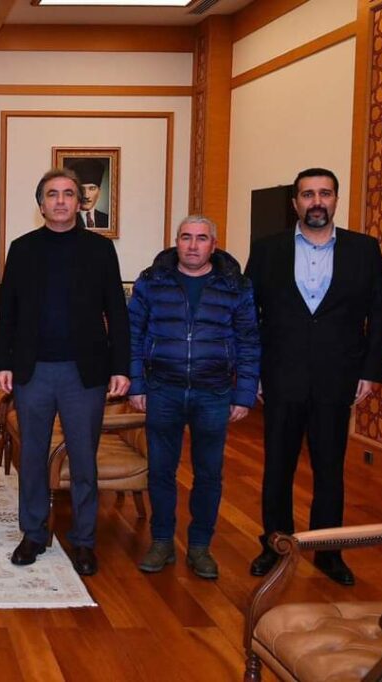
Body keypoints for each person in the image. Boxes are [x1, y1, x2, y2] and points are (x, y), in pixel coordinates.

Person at [246, 167, 382, 586]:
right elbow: (247, 316)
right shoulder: (268, 250)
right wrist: (252, 371)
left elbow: (379, 314)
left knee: (329, 468)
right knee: (278, 467)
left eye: (325, 193)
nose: (317, 202)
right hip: (281, 375)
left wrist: (371, 371)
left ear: (336, 200)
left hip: (337, 377)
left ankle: (328, 552)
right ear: (295, 203)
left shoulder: (364, 250)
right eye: (308, 194)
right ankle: (275, 545)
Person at [0, 167, 130, 576]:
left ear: (79, 203)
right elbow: (7, 312)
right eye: (52, 194)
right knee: (33, 456)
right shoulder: (22, 249)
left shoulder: (100, 250)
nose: (60, 201)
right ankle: (34, 534)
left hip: (84, 374)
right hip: (33, 371)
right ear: (41, 204)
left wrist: (121, 367)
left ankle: (84, 540)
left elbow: (117, 312)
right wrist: (2, 363)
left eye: (68, 194)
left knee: (84, 459)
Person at [127, 216, 260, 579]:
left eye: (201, 239)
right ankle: (162, 541)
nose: (192, 245)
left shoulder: (235, 286)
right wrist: (137, 385)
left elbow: (249, 342)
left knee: (209, 473)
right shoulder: (152, 281)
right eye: (186, 237)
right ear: (177, 241)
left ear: (213, 245)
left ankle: (200, 546)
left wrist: (245, 393)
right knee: (161, 471)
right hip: (163, 390)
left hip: (214, 392)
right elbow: (132, 334)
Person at [68, 158, 109, 228]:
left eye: (92, 188)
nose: (86, 195)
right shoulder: (67, 220)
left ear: (99, 192)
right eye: (81, 189)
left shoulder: (106, 219)